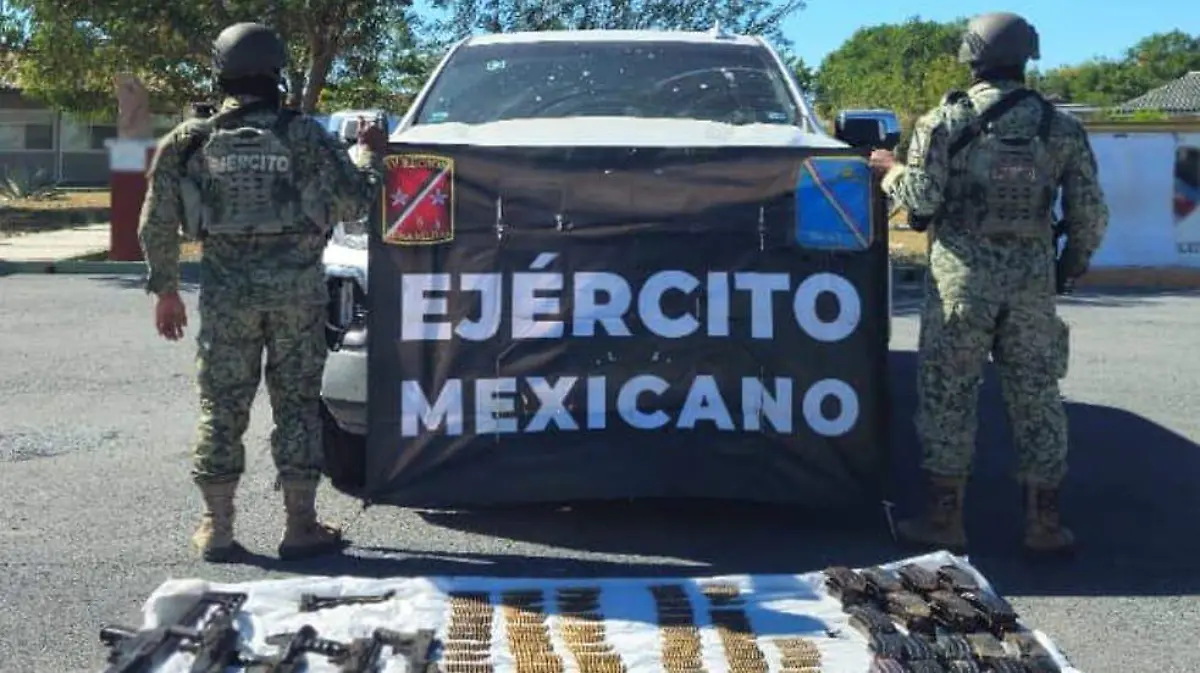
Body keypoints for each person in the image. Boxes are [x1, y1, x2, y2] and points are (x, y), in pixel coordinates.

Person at [138, 22, 388, 562]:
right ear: (276, 73)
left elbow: (155, 223)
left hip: (229, 300)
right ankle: (300, 526)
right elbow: (355, 201)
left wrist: (166, 292)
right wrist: (370, 154)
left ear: (220, 72)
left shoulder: (189, 140)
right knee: (297, 406)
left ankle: (217, 527)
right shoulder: (304, 135)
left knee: (221, 406)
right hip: (298, 298)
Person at [867, 11, 1108, 556]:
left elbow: (924, 200)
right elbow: (1090, 214)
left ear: (971, 54)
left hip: (960, 285)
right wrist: (1067, 266)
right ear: (1028, 56)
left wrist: (888, 170)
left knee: (949, 395)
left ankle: (944, 519)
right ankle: (1044, 522)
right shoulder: (1060, 128)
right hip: (1031, 283)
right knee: (1038, 396)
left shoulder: (944, 122)